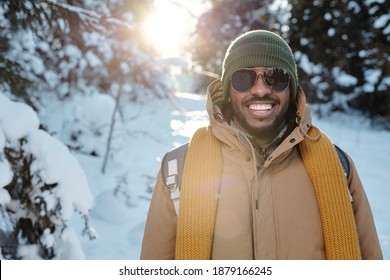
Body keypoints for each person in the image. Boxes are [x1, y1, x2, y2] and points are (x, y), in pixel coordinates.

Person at [140, 30, 383, 260]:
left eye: (275, 77)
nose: (260, 90)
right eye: (243, 78)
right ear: (227, 91)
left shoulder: (338, 167)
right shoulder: (178, 168)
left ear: (292, 89)